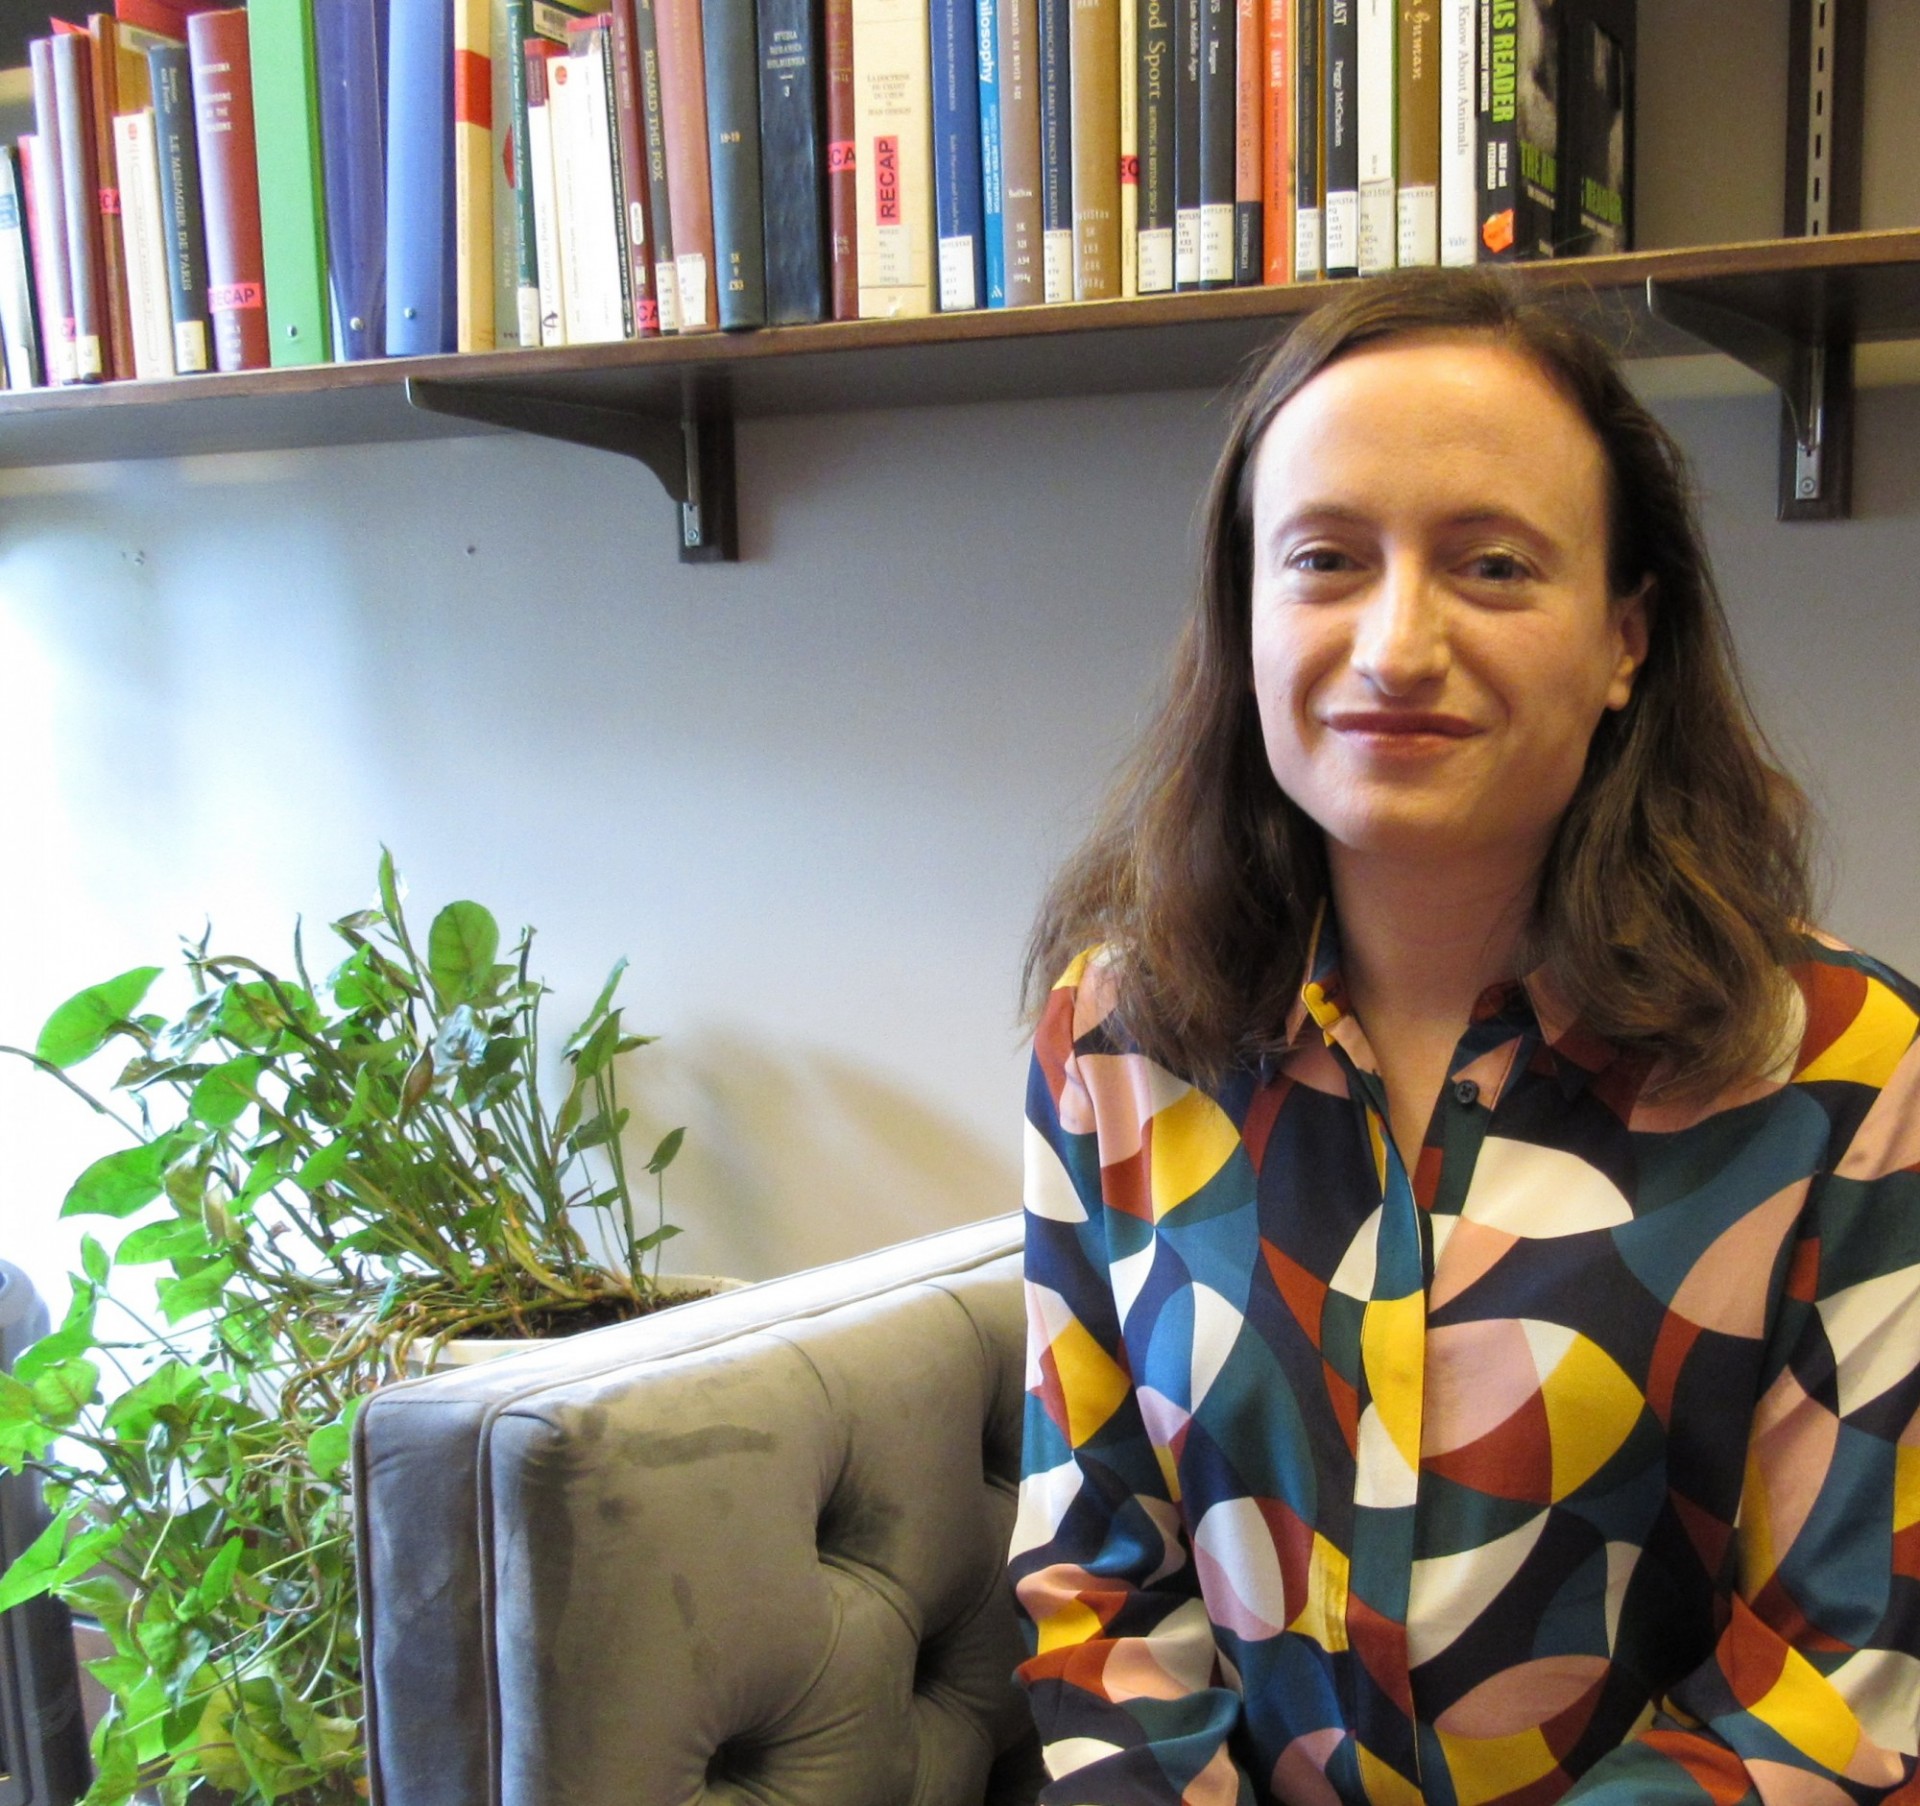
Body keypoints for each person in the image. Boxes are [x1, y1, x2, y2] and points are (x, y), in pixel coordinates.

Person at [1009, 266, 1920, 1806]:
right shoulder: (1112, 1038)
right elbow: (1094, 1593)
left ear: (1625, 637)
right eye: (1325, 560)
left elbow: (1849, 1676)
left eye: (1493, 565)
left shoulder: (1842, 1072)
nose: (1396, 644)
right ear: (1246, 612)